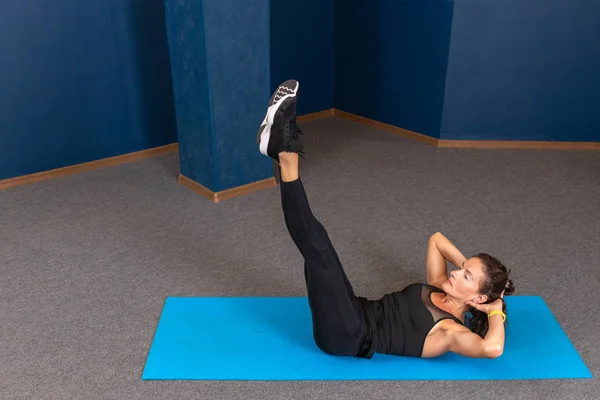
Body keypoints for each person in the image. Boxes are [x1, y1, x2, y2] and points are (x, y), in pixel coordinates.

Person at [257, 80, 515, 359]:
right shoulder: (441, 284)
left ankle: (285, 154)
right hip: (354, 308)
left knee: (317, 248)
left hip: (348, 336)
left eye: (465, 275)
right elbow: (436, 240)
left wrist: (496, 309)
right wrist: (470, 273)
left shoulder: (450, 333)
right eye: (462, 267)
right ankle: (282, 151)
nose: (455, 271)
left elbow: (493, 348)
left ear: (478, 299)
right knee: (318, 246)